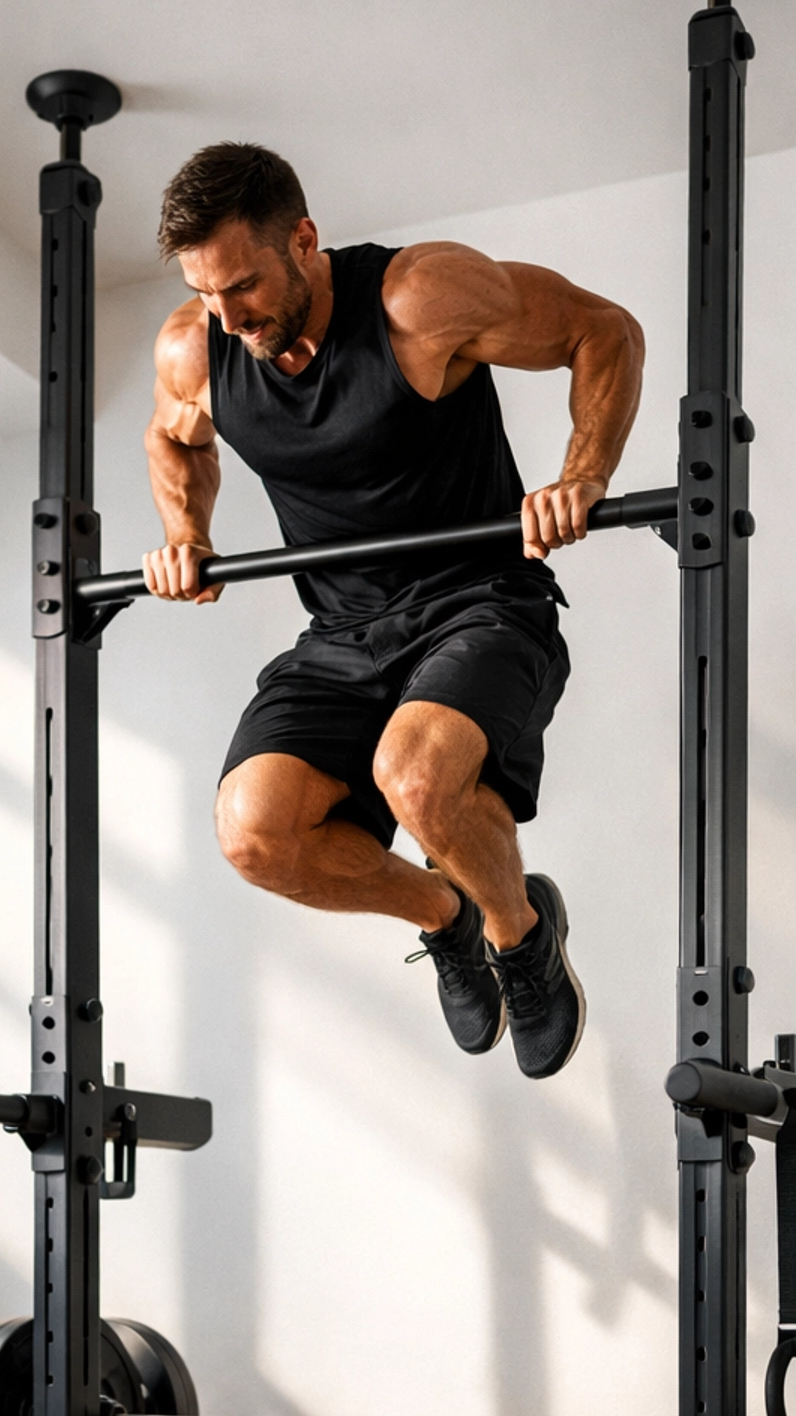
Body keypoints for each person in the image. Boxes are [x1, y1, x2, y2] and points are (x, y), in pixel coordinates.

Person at [142, 143, 643, 1079]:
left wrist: (583, 476)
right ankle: (446, 918)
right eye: (207, 293)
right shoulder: (196, 346)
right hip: (340, 636)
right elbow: (175, 441)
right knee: (253, 831)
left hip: (480, 603)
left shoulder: (418, 298)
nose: (228, 315)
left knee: (414, 780)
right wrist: (188, 534)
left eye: (244, 284)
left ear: (303, 238)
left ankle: (519, 933)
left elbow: (601, 330)